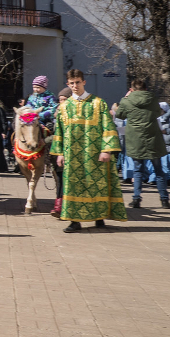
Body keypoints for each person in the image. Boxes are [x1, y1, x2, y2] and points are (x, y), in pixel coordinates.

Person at [51, 69, 126, 232]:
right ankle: (74, 220)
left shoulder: (98, 103)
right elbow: (59, 132)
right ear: (68, 84)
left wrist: (106, 150)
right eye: (72, 83)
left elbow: (108, 127)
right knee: (73, 187)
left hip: (95, 154)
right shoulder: (64, 107)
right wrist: (60, 153)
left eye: (78, 82)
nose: (75, 86)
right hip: (72, 156)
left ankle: (99, 217)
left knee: (97, 185)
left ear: (84, 82)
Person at [117, 79, 170, 209]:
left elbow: (120, 115)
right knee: (158, 170)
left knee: (137, 170)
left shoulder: (127, 100)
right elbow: (158, 113)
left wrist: (125, 98)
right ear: (145, 89)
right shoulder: (153, 99)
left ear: (131, 90)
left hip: (136, 139)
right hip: (153, 137)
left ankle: (136, 199)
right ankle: (164, 200)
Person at [50, 86, 74, 216]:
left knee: (66, 180)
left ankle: (65, 206)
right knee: (59, 178)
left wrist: (48, 140)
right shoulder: (57, 112)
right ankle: (59, 205)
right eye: (60, 100)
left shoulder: (72, 114)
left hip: (69, 151)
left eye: (65, 99)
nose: (62, 102)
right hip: (58, 151)